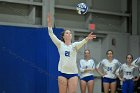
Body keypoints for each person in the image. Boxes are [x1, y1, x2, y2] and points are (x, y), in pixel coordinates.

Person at [47, 14, 96, 93]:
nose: (69, 34)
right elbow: (51, 34)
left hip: (73, 74)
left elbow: (82, 42)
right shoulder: (60, 44)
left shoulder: (75, 45)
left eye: (70, 33)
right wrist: (49, 24)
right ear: (63, 36)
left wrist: (87, 38)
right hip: (62, 73)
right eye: (67, 33)